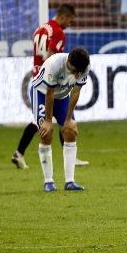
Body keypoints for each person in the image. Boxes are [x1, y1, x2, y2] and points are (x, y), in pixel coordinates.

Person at [11, 5, 89, 169]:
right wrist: (55, 74)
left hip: (37, 78)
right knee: (58, 121)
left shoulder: (41, 28)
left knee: (50, 121)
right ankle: (54, 164)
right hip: (49, 81)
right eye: (70, 19)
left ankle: (19, 153)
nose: (70, 23)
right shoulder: (58, 32)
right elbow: (52, 55)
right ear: (63, 16)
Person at [29, 47, 91, 192]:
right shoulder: (55, 64)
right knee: (47, 133)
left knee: (70, 131)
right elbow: (49, 94)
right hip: (42, 94)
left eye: (79, 72)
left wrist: (69, 119)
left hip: (62, 96)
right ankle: (48, 181)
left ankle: (70, 181)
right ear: (68, 61)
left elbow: (76, 91)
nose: (76, 74)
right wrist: (48, 121)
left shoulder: (85, 66)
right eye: (74, 70)